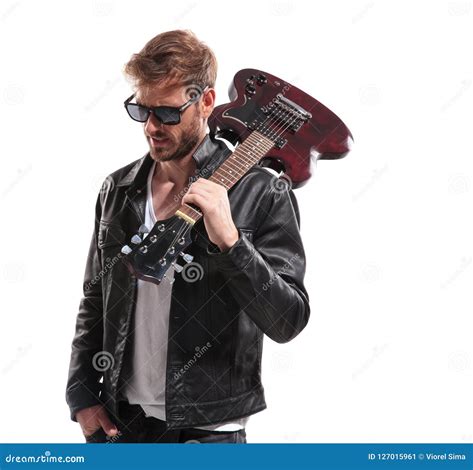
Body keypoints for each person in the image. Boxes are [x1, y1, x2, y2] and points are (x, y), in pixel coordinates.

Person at [66, 29, 310, 444]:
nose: (152, 128)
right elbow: (95, 296)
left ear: (207, 103)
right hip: (120, 423)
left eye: (168, 113)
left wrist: (231, 242)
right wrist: (81, 394)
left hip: (208, 430)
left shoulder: (260, 191)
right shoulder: (118, 188)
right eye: (142, 111)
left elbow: (288, 320)